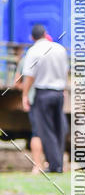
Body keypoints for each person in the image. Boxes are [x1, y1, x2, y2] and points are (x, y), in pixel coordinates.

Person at [20, 24, 68, 173]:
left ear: (32, 37)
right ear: (45, 34)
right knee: (59, 128)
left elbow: (29, 76)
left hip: (43, 93)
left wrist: (25, 95)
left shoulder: (33, 51)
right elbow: (65, 71)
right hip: (59, 92)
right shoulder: (59, 49)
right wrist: (63, 89)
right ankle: (58, 163)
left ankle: (55, 165)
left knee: (45, 130)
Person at [14, 43, 44, 173]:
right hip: (48, 98)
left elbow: (17, 83)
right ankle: (46, 164)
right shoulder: (46, 58)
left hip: (34, 100)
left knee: (37, 132)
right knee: (47, 132)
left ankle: (37, 165)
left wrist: (26, 91)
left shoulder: (25, 60)